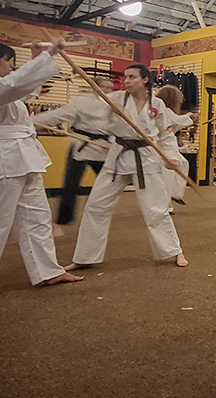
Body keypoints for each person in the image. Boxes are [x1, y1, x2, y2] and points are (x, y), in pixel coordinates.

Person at [0, 39, 83, 297]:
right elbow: (13, 84)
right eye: (9, 62)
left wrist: (39, 59)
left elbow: (27, 87)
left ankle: (48, 271)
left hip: (24, 156)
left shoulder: (4, 88)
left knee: (37, 218)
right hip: (1, 158)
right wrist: (46, 56)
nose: (12, 68)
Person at [66, 64, 189, 269]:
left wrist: (170, 157)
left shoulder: (157, 104)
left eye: (132, 77)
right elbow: (92, 117)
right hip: (118, 157)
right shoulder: (114, 99)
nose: (127, 81)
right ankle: (84, 257)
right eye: (125, 77)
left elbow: (166, 134)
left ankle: (174, 251)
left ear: (145, 80)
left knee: (155, 209)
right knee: (96, 206)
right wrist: (110, 113)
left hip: (146, 158)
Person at [33, 77, 114, 228]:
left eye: (111, 88)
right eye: (105, 87)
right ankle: (64, 218)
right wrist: (30, 122)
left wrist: (113, 142)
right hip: (81, 145)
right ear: (94, 87)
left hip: (103, 147)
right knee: (70, 184)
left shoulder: (114, 104)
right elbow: (58, 115)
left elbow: (118, 126)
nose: (108, 90)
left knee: (108, 183)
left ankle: (101, 212)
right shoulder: (81, 102)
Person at [155, 85, 197, 213]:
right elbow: (175, 121)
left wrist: (189, 118)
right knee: (167, 176)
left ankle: (175, 194)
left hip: (167, 144)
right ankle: (166, 205)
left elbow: (174, 124)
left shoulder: (163, 110)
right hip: (164, 146)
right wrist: (190, 117)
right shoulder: (164, 110)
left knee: (183, 164)